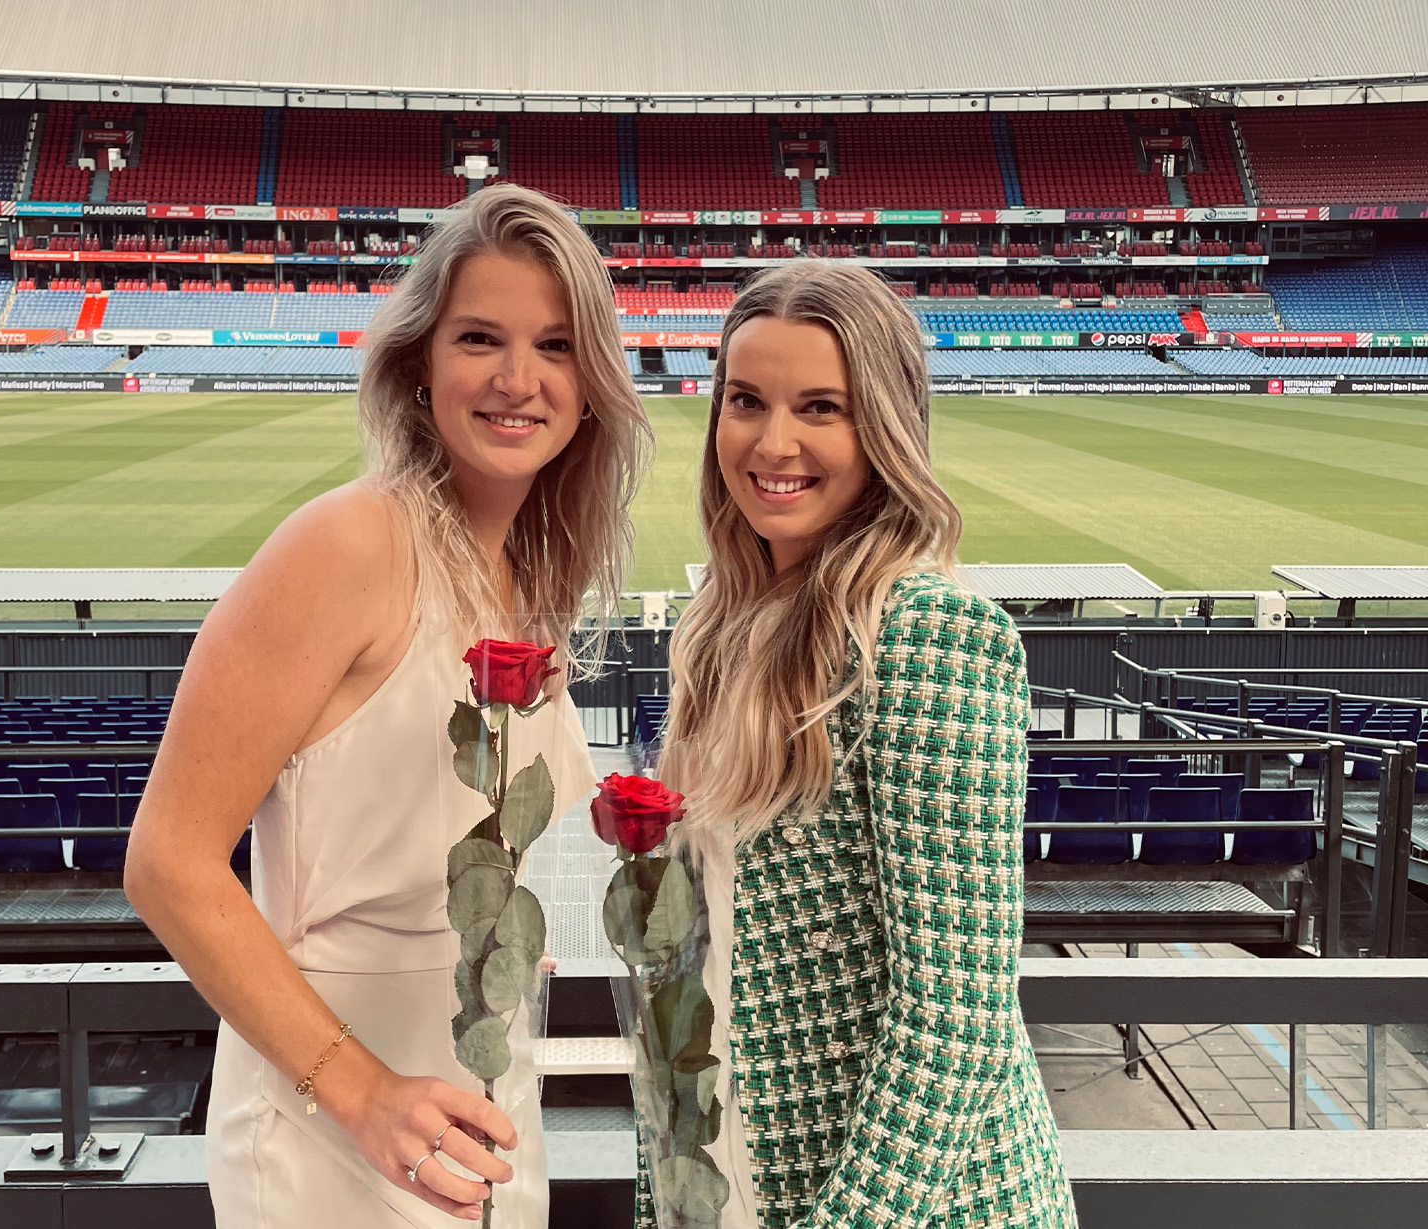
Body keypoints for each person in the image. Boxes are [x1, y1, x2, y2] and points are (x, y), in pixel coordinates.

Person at [124, 184, 652, 1227]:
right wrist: (364, 1093)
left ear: (590, 384)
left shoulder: (516, 571)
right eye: (480, 338)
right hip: (338, 1127)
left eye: (555, 344)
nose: (517, 378)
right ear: (419, 363)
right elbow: (167, 863)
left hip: (476, 1102)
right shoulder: (350, 542)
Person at [657, 263, 1078, 1228]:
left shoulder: (931, 633)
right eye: (746, 401)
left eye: (821, 408)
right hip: (734, 1174)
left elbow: (955, 1023)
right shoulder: (720, 625)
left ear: (884, 425)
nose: (774, 442)